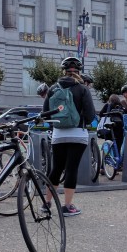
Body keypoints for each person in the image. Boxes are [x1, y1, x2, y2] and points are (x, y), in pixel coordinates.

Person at [43, 56, 95, 217]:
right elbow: (91, 114)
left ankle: (47, 204)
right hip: (78, 135)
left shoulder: (53, 88)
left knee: (56, 168)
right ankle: (67, 206)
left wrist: (57, 125)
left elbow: (45, 114)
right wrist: (83, 122)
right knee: (71, 169)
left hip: (58, 135)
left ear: (63, 71)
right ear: (78, 71)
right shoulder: (83, 88)